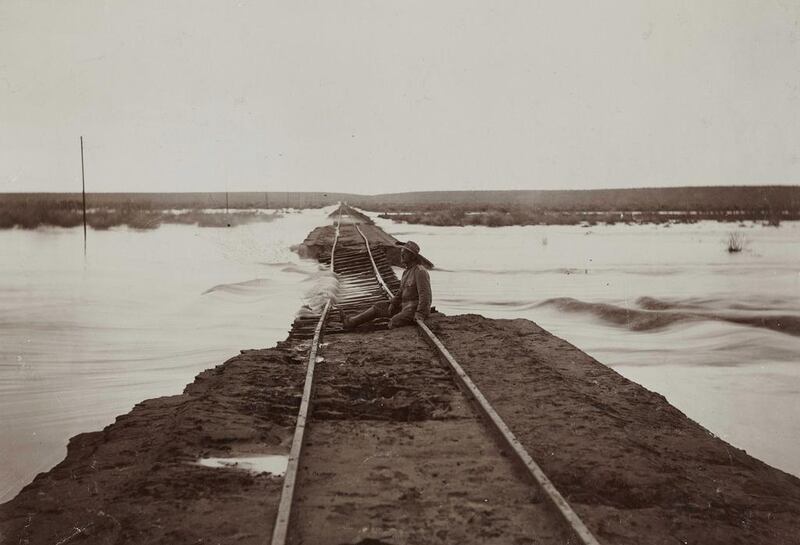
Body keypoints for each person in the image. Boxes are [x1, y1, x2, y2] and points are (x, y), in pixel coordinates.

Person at [339, 240, 432, 329]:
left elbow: (426, 296)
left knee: (395, 321)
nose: (402, 254)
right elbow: (400, 292)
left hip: (413, 309)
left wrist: (420, 314)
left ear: (413, 256)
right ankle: (351, 322)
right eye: (402, 251)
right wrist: (393, 303)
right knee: (378, 306)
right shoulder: (406, 272)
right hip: (404, 306)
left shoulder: (420, 272)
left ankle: (369, 328)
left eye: (405, 252)